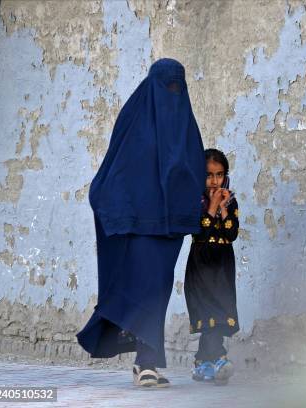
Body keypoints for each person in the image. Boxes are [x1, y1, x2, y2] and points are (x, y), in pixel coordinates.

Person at [76, 58, 206, 388]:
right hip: (138, 223)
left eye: (178, 86)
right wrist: (116, 207)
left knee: (158, 290)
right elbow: (115, 169)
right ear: (153, 86)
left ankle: (145, 363)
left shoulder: (186, 125)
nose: (173, 93)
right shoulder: (134, 119)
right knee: (144, 289)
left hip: (170, 226)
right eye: (167, 86)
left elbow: (193, 170)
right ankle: (145, 363)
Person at [185, 148, 240, 386]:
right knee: (209, 313)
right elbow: (200, 230)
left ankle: (202, 363)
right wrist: (211, 207)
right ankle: (219, 358)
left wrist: (224, 207)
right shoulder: (194, 200)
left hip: (222, 265)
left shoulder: (232, 200)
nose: (214, 181)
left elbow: (231, 233)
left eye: (219, 175)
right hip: (201, 264)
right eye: (209, 175)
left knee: (219, 312)